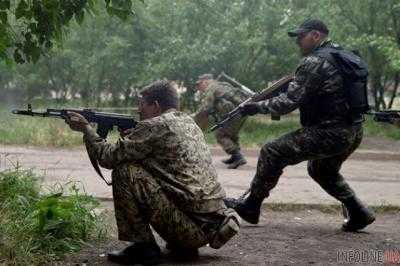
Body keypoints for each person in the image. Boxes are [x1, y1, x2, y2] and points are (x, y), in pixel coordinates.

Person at [64, 80, 240, 265]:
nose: (138, 111)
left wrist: (86, 129)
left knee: (125, 170)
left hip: (189, 230)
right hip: (210, 226)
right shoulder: (188, 122)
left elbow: (107, 158)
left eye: (141, 105)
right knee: (141, 167)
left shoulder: (155, 126)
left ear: (156, 106)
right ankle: (182, 247)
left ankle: (143, 248)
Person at [224, 19, 375, 232]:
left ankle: (251, 206)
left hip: (329, 132)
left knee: (272, 150)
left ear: (315, 35)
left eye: (301, 37)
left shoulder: (315, 61)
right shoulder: (342, 56)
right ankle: (359, 213)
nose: (298, 42)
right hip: (353, 130)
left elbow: (287, 103)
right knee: (321, 170)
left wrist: (256, 107)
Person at [193, 74, 250, 169]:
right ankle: (234, 156)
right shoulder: (221, 85)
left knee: (221, 135)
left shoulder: (211, 88)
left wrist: (194, 117)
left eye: (200, 84)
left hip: (234, 113)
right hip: (242, 111)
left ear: (206, 81)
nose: (199, 87)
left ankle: (238, 157)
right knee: (231, 135)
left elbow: (206, 108)